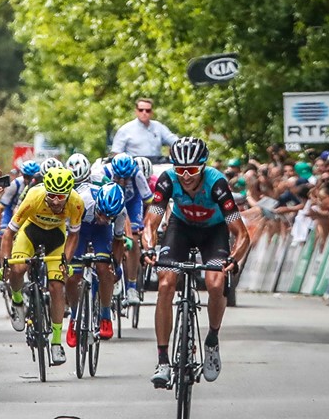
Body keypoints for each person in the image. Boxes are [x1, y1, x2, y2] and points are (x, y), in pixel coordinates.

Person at [143, 137, 250, 387]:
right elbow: (152, 222)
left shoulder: (217, 184)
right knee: (166, 284)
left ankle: (212, 339)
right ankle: (163, 361)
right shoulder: (168, 180)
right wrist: (148, 247)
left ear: (203, 167)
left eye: (192, 170)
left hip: (213, 232)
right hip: (180, 228)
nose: (186, 176)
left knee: (215, 284)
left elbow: (242, 233)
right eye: (181, 169)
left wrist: (234, 259)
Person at [0, 167, 84, 366]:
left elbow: (74, 235)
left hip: (56, 236)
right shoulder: (33, 197)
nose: (55, 201)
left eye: (60, 197)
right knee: (18, 269)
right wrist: (5, 262)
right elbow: (9, 234)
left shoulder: (76, 202)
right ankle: (18, 303)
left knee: (56, 287)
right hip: (31, 232)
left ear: (68, 194)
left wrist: (66, 261)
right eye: (52, 195)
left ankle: (55, 342)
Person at [65, 182, 126, 345]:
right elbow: (70, 236)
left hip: (101, 233)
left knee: (103, 268)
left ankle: (105, 315)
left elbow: (118, 240)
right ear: (97, 205)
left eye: (109, 217)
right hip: (79, 228)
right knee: (72, 276)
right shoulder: (81, 201)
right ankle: (74, 317)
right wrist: (65, 263)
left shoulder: (120, 212)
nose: (103, 219)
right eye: (101, 214)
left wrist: (117, 266)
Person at [102, 152, 152, 305]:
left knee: (134, 240)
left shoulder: (137, 174)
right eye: (119, 178)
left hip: (132, 204)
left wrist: (144, 225)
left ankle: (131, 286)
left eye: (126, 178)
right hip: (111, 201)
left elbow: (149, 202)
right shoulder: (104, 172)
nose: (122, 182)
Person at [110, 97, 178, 159]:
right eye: (141, 110)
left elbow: (174, 141)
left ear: (151, 112)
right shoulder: (125, 129)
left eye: (147, 110)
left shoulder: (158, 127)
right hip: (134, 168)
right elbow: (116, 153)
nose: (144, 113)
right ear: (136, 111)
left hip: (157, 167)